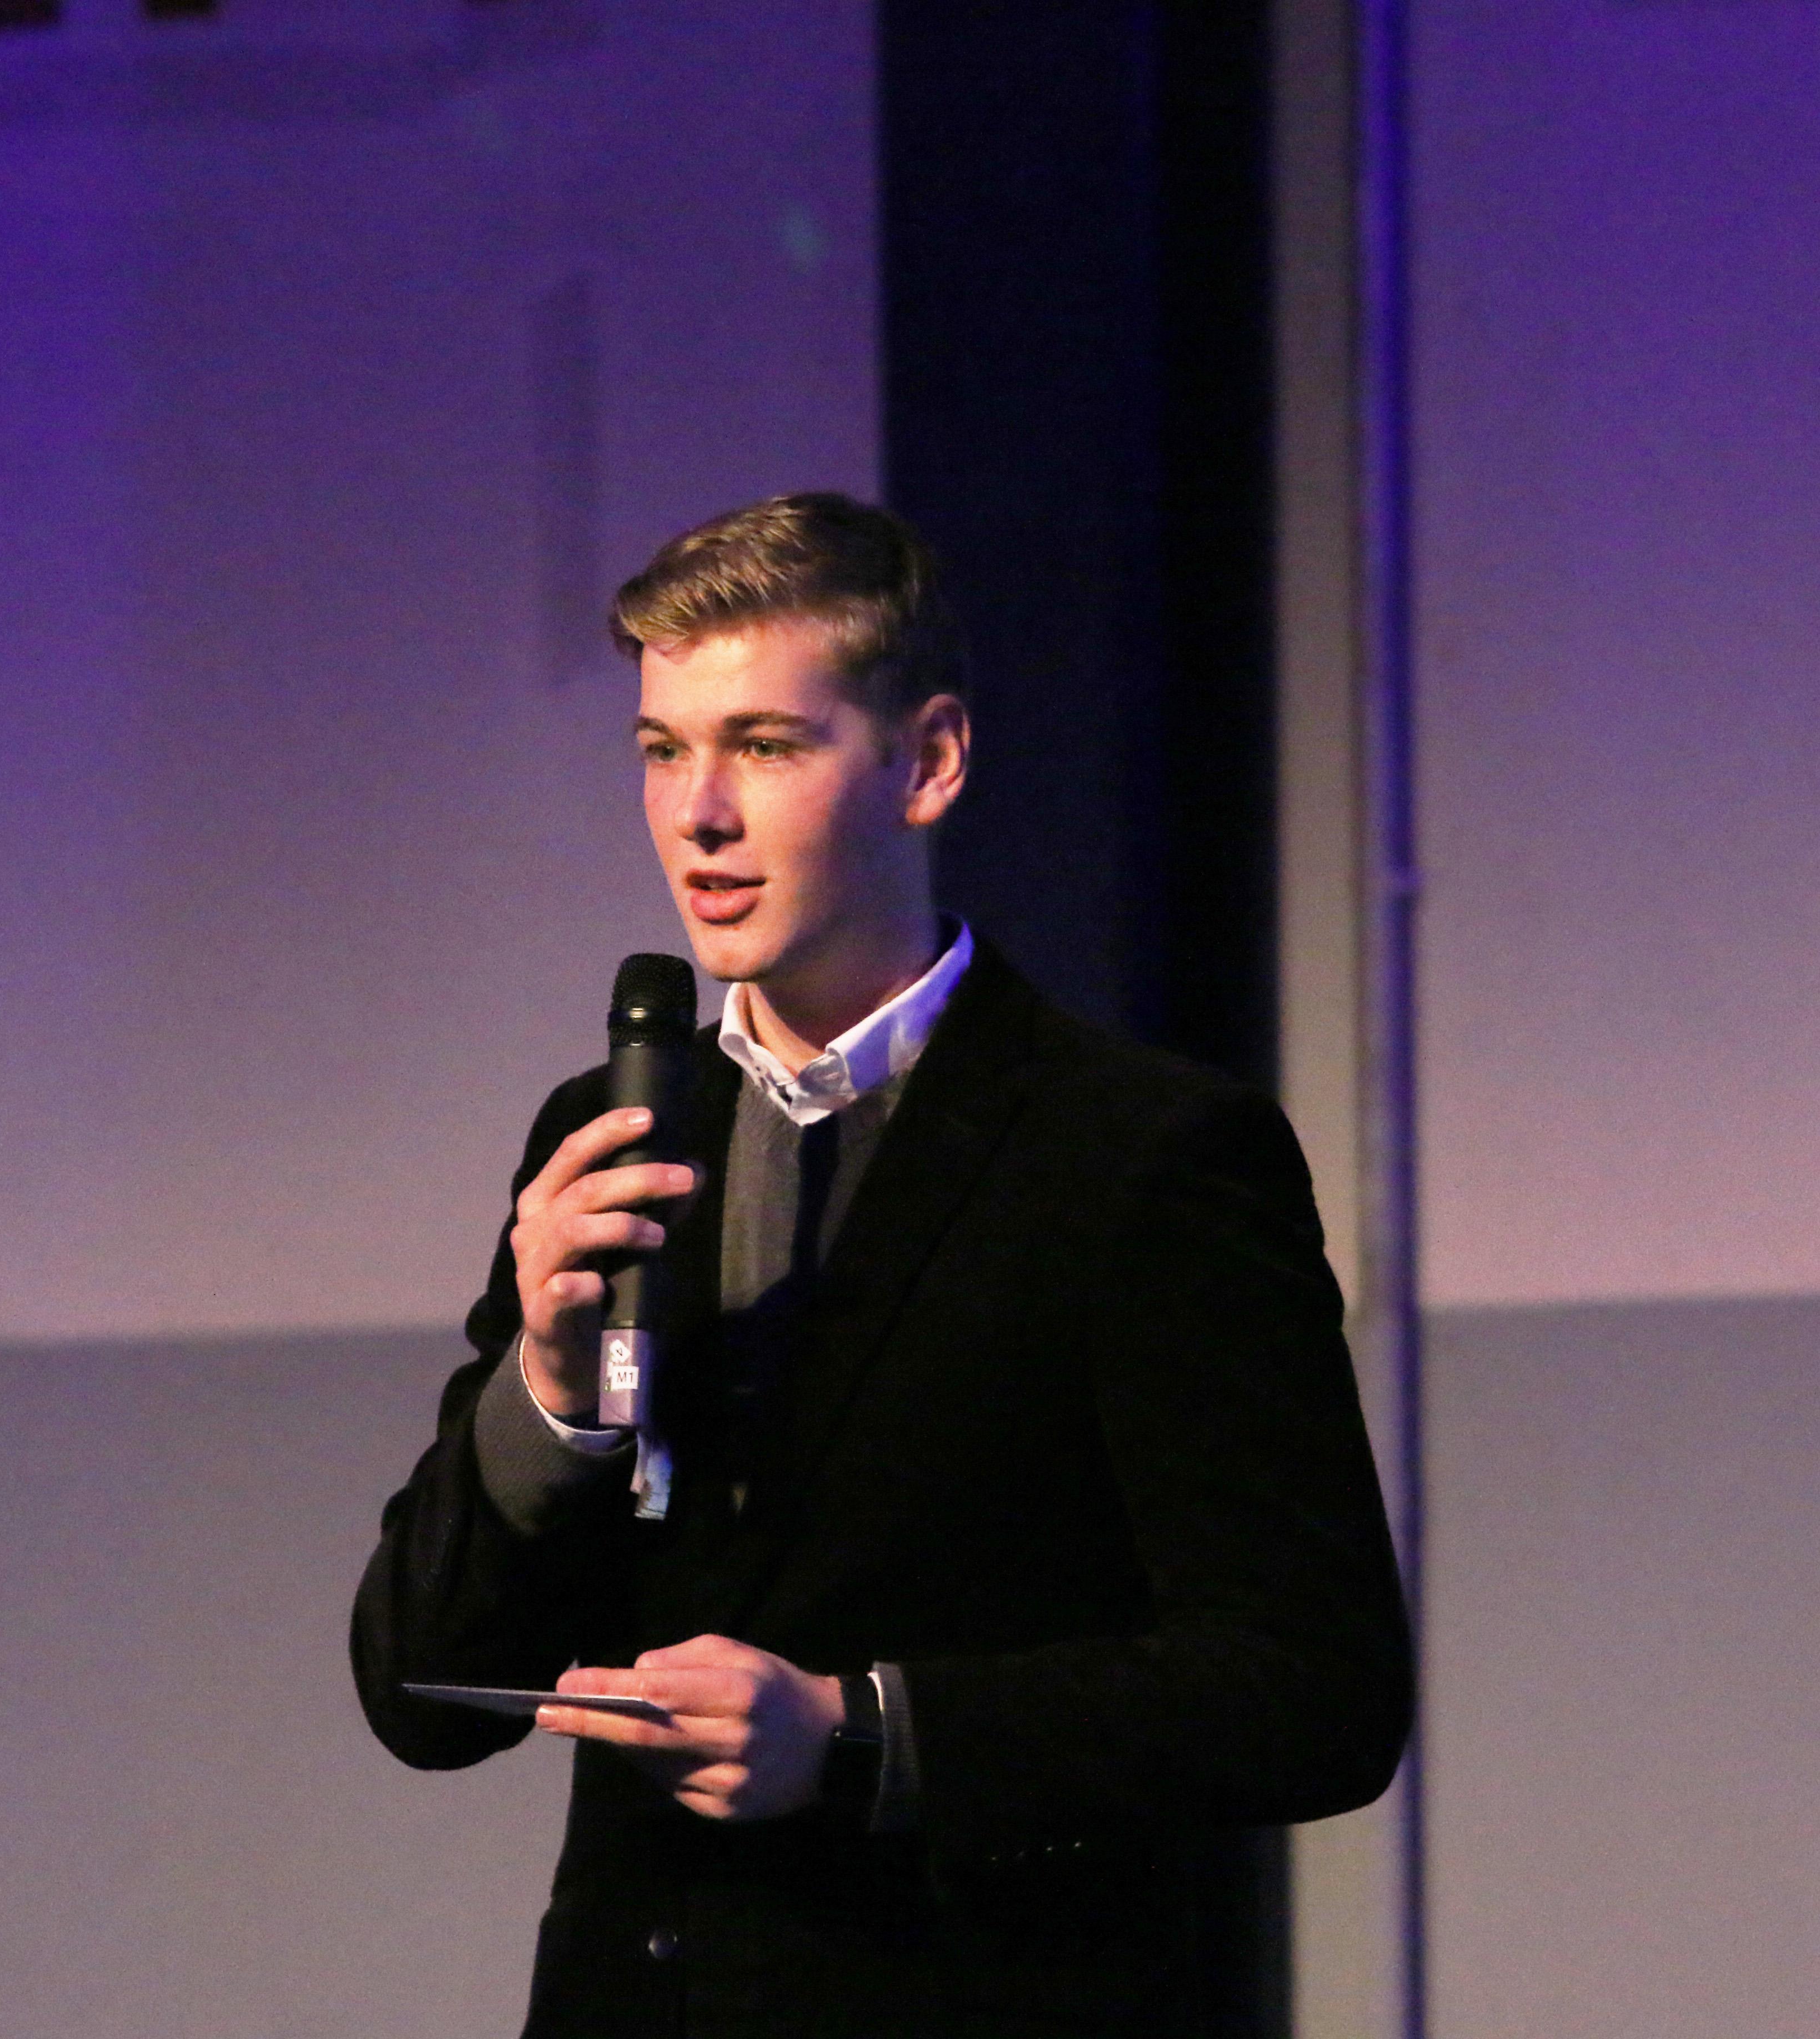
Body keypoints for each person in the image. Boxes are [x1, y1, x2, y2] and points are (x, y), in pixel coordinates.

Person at [350, 494, 1410, 2037]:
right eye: (662, 750)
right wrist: (550, 1394)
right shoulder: (608, 1132)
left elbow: (1314, 1691)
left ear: (929, 763)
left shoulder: (1142, 1155)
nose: (699, 813)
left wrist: (861, 1730)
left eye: (765, 746)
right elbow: (419, 1695)